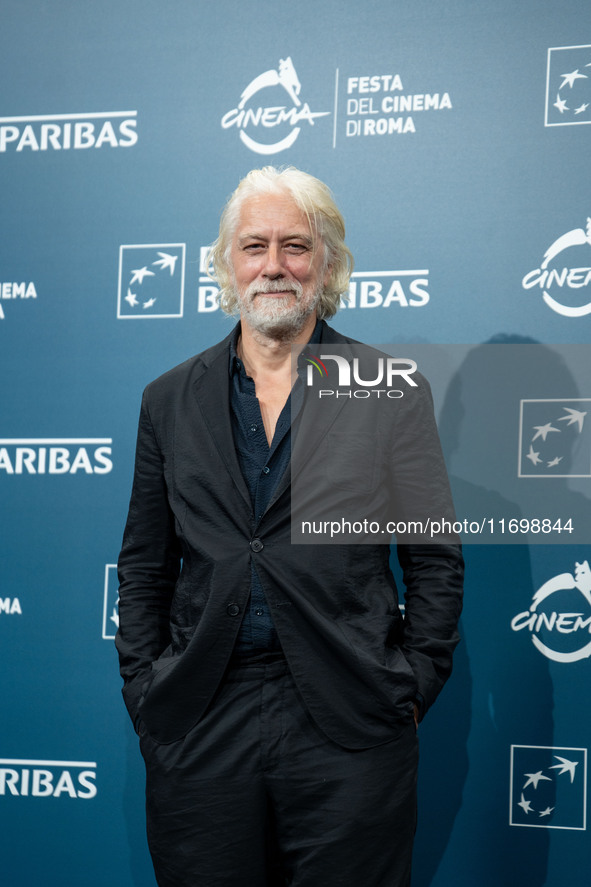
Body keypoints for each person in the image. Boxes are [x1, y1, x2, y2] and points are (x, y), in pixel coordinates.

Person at [116, 166, 464, 887]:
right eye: (253, 245)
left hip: (350, 718)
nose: (273, 264)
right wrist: (146, 695)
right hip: (201, 720)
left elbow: (433, 559)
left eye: (294, 245)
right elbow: (145, 566)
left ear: (326, 262)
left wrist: (411, 686)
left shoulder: (388, 389)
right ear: (225, 263)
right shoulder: (167, 399)